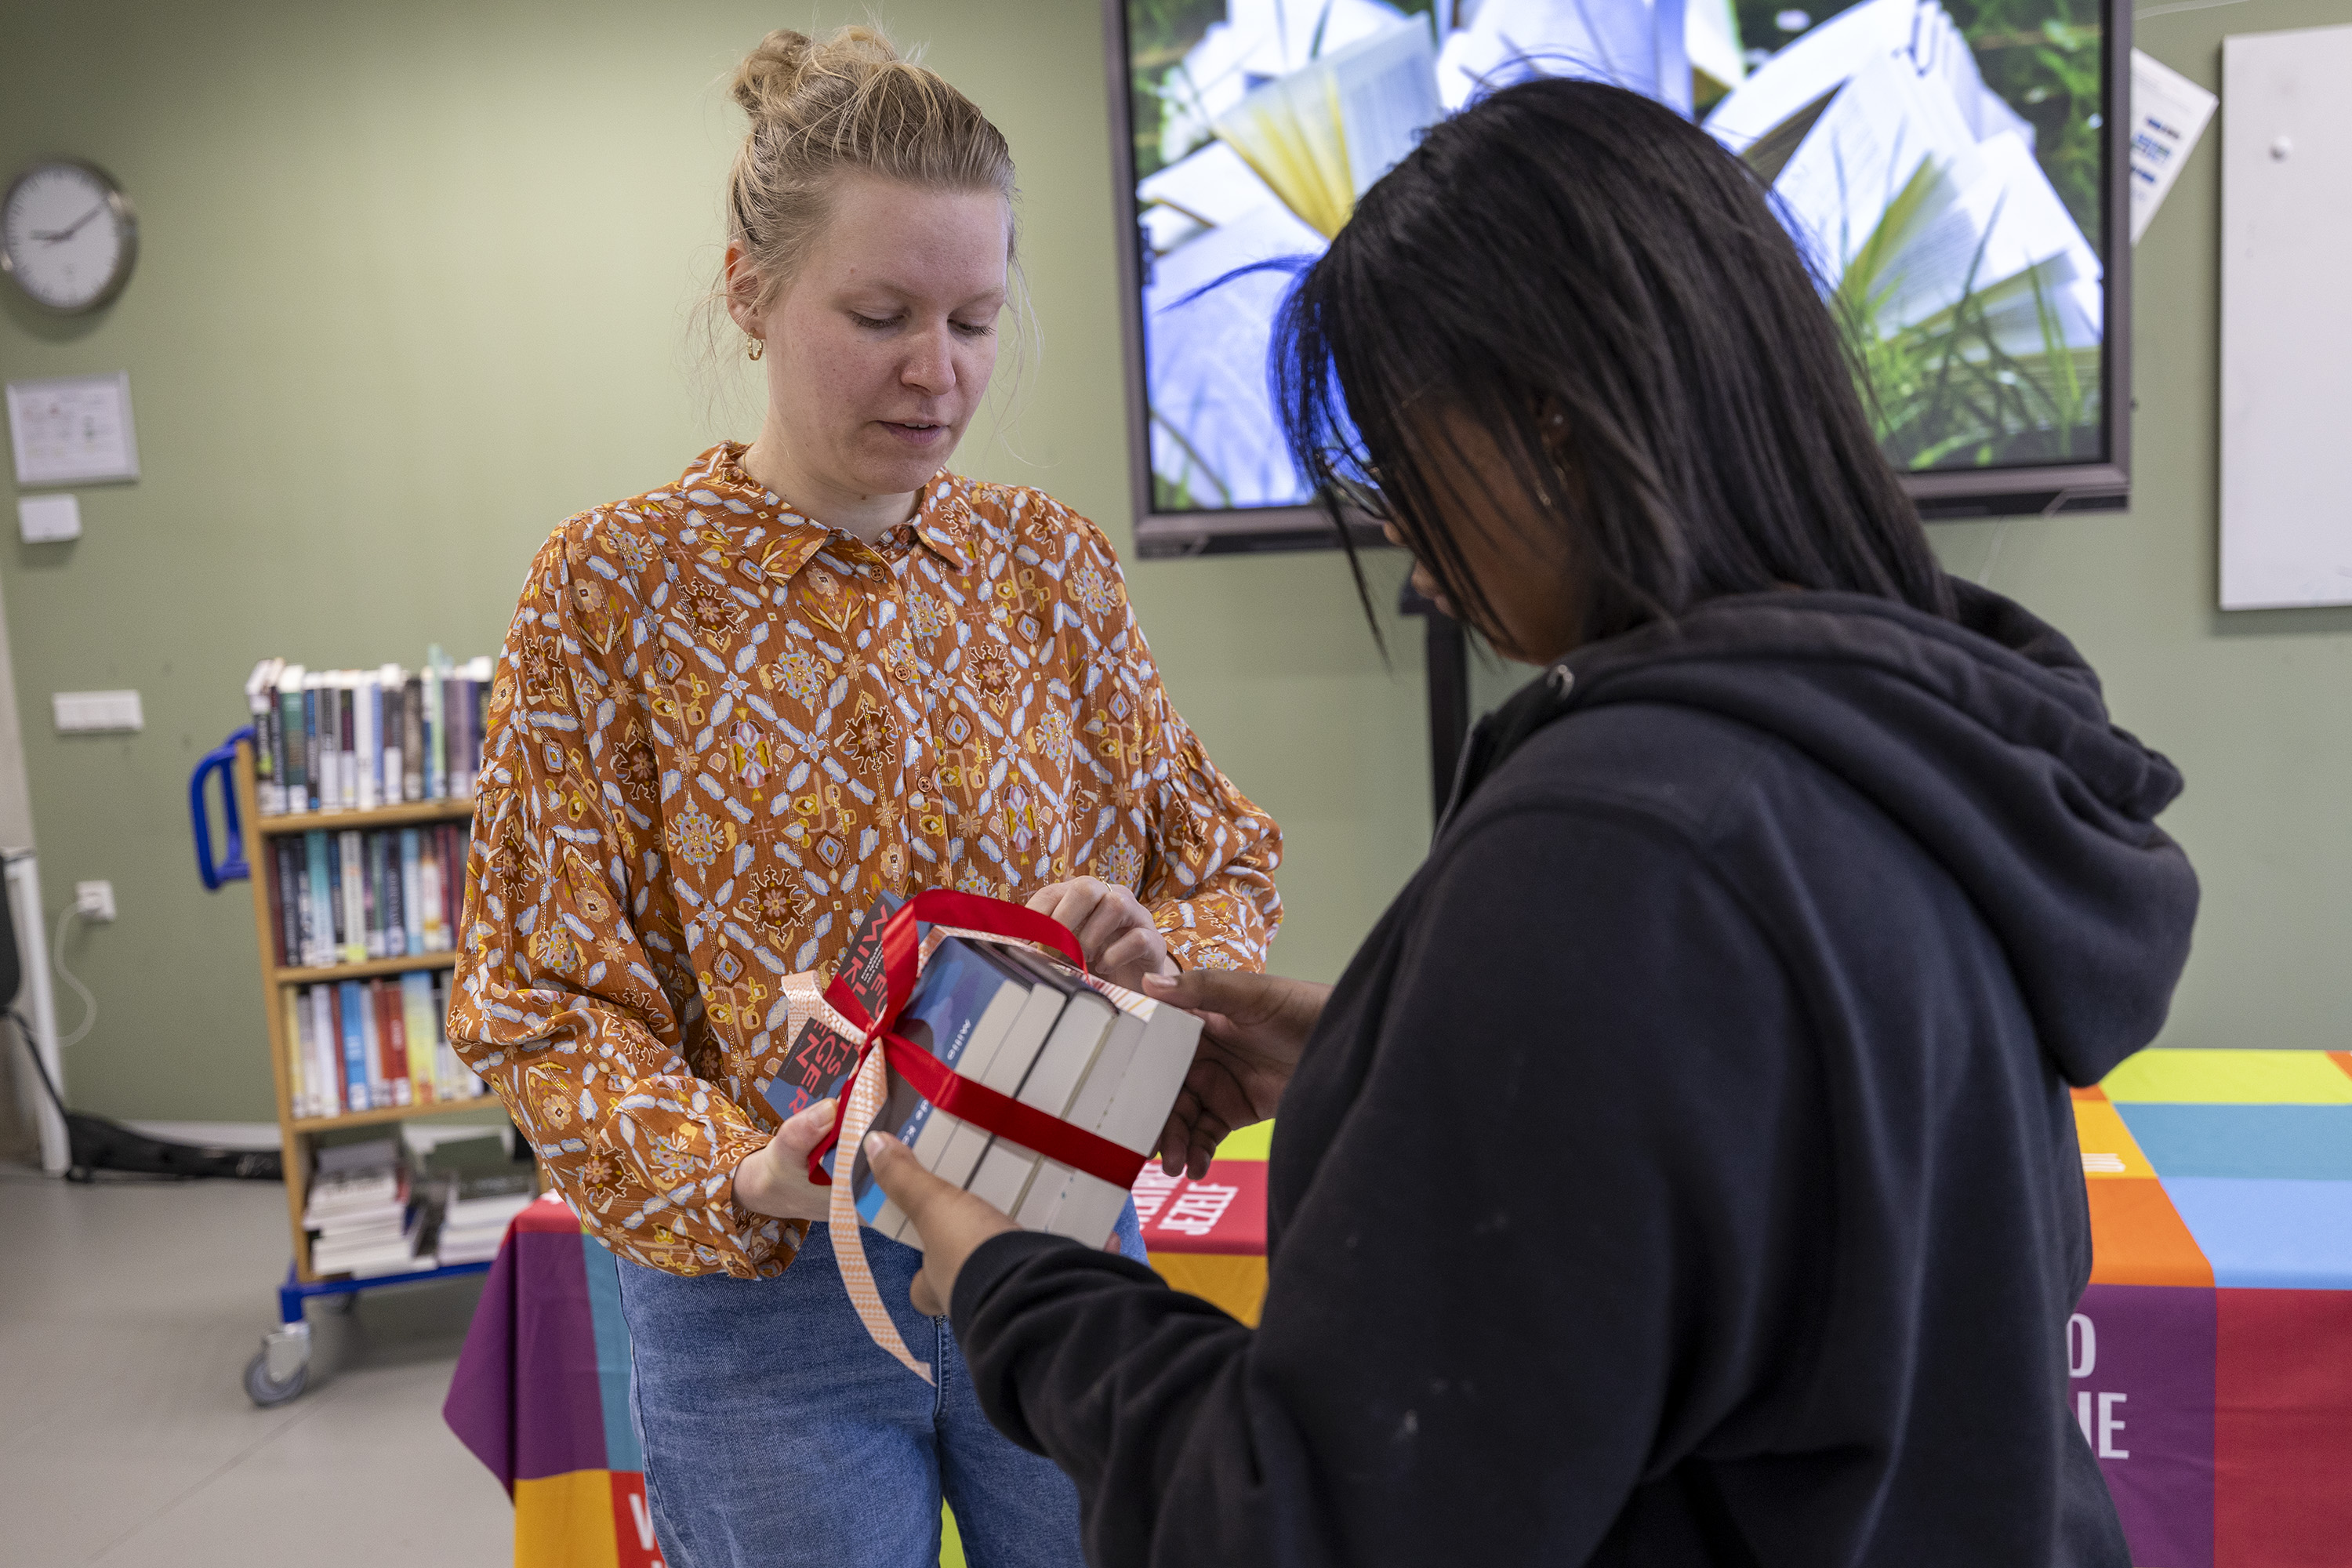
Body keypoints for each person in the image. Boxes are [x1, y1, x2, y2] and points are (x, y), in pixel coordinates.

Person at [868, 76, 2198, 1566]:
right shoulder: (1924, 753)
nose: (1401, 539)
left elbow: (1304, 1525)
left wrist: (1019, 1281)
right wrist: (1401, 1064)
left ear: (1552, 430)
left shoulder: (1616, 851)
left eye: (1399, 466)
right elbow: (1769, 1169)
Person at [447, 27, 1281, 1568]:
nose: (939, 370)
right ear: (749, 292)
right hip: (764, 1300)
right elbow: (535, 988)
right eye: (882, 314)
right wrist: (741, 1172)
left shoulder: (1050, 569)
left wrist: (1155, 956)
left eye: (975, 319)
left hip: (1051, 1250)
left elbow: (1220, 860)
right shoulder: (614, 591)